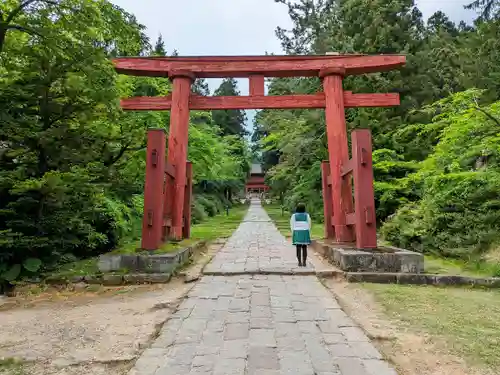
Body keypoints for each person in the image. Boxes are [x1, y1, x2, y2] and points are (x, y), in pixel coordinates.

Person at [290, 203, 311, 267]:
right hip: (305, 232)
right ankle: (304, 262)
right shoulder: (307, 215)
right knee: (304, 247)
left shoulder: (294, 215)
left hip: (297, 232)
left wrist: (293, 232)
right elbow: (309, 224)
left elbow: (292, 224)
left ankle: (299, 262)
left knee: (298, 247)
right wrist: (308, 231)